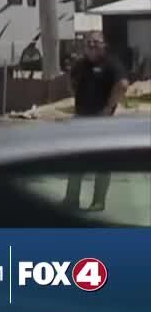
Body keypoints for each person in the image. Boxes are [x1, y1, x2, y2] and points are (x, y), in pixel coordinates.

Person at [62, 32, 129, 211]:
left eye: (96, 42)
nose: (91, 45)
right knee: (75, 160)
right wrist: (75, 95)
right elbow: (70, 78)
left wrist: (108, 108)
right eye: (88, 42)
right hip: (80, 118)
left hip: (102, 121)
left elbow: (123, 85)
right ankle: (71, 199)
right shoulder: (81, 64)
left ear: (104, 45)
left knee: (101, 162)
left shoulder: (111, 64)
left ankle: (98, 201)